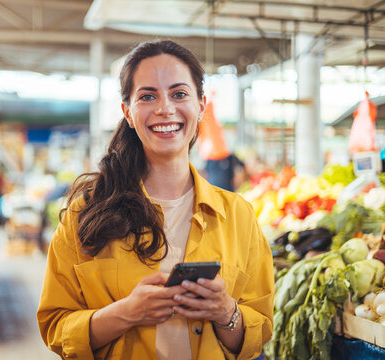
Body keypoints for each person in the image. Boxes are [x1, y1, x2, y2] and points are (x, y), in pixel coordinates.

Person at [37, 40, 274, 360]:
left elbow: (256, 336)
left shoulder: (238, 215)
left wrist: (225, 311)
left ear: (201, 106)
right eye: (148, 96)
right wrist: (126, 313)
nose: (165, 108)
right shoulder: (86, 213)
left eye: (179, 94)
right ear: (128, 113)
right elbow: (55, 325)